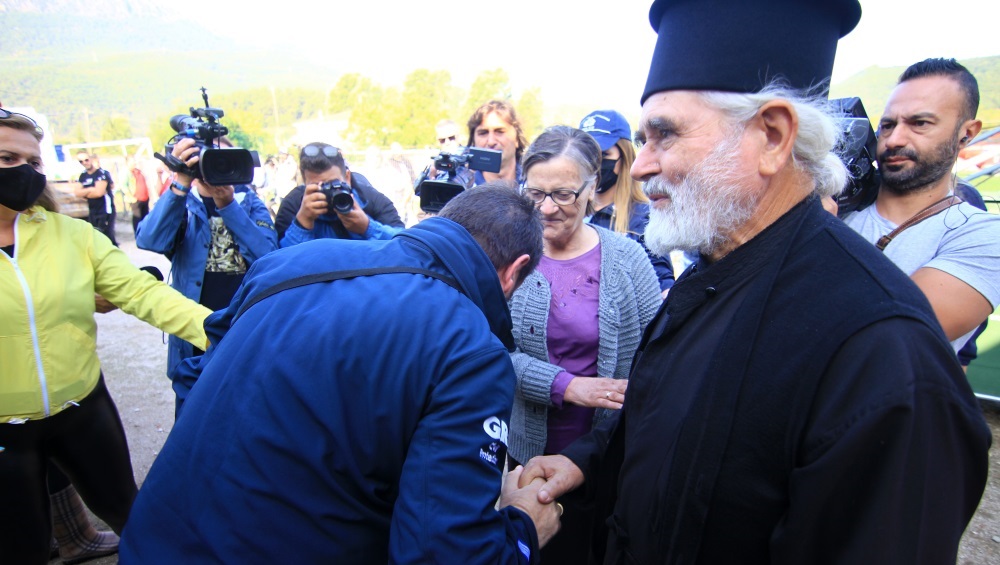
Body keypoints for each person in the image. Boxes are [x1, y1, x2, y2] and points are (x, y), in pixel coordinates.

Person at [519, 1, 991, 564]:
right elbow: (665, 429)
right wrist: (587, 461)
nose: (640, 167)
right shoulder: (710, 274)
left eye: (663, 136)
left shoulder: (884, 352)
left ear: (771, 136)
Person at [120, 185, 560, 563]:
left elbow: (200, 374)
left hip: (155, 538)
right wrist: (523, 530)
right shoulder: (471, 348)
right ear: (514, 272)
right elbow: (442, 553)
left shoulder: (292, 262)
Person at [0, 108, 212, 564]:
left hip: (82, 408)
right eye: (5, 157)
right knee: (24, 548)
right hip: (5, 430)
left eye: (33, 161)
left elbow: (142, 292)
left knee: (133, 515)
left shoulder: (72, 234)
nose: (24, 171)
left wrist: (221, 333)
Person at [509, 125, 661, 563]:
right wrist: (565, 385)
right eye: (534, 194)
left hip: (607, 456)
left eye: (563, 194)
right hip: (524, 456)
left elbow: (656, 353)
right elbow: (490, 352)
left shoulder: (628, 259)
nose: (547, 209)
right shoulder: (508, 256)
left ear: (593, 189)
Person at [843, 58, 1000, 355]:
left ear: (967, 133)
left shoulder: (984, 236)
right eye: (887, 125)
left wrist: (812, 228)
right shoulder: (839, 203)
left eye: (920, 123)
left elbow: (887, 337)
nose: (894, 139)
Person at [135, 136, 277, 413]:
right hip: (193, 330)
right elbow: (149, 239)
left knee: (244, 407)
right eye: (209, 162)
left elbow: (269, 257)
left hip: (242, 324)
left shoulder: (248, 202)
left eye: (224, 161)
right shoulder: (182, 202)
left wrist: (228, 206)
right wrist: (181, 182)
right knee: (191, 408)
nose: (217, 170)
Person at [580, 109, 676, 294]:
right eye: (586, 155)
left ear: (624, 158)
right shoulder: (565, 209)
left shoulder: (642, 217)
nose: (594, 163)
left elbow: (661, 283)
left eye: (603, 155)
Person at [273, 142, 404, 247]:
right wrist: (302, 223)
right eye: (318, 186)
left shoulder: (372, 200)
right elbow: (279, 262)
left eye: (333, 184)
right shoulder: (293, 205)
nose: (327, 192)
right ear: (304, 182)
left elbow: (406, 245)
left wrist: (368, 227)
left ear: (347, 177)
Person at [467, 100, 529, 186]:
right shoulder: (462, 188)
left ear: (517, 139)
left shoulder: (536, 187)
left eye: (499, 132)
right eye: (483, 133)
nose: (491, 142)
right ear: (473, 141)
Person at [74, 151, 117, 245]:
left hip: (105, 210)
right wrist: (91, 189)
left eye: (86, 159)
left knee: (108, 237)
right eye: (81, 161)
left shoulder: (102, 173)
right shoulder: (83, 176)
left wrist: (85, 192)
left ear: (90, 159)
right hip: (93, 210)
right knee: (97, 237)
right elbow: (77, 192)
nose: (84, 162)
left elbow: (99, 193)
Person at [127, 156, 150, 234]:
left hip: (144, 198)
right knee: (137, 217)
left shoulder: (140, 172)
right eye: (132, 162)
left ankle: (145, 233)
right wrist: (131, 196)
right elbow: (123, 186)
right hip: (135, 199)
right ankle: (138, 233)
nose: (134, 163)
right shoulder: (127, 173)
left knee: (145, 217)